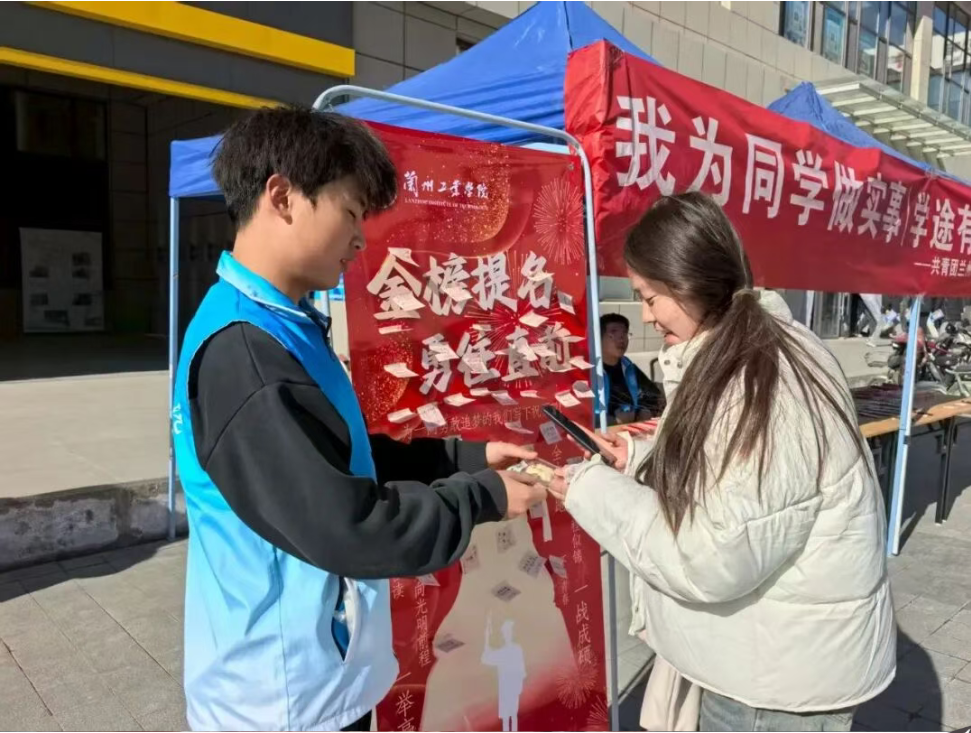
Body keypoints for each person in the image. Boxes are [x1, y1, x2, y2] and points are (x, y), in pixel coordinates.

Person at [171, 106, 546, 732]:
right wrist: (481, 497)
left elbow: (336, 456)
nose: (361, 239)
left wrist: (465, 457)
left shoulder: (278, 323)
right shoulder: (246, 354)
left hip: (317, 677)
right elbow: (350, 526)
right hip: (284, 697)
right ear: (283, 197)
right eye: (350, 213)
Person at [548, 192, 895, 732]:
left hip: (775, 685)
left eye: (650, 297)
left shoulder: (759, 382)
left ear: (687, 282)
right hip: (772, 656)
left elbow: (708, 558)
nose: (645, 315)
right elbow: (728, 472)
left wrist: (589, 489)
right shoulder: (755, 346)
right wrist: (638, 458)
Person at [600, 313, 665, 426]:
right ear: (599, 338)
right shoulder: (589, 372)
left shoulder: (628, 367)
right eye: (613, 332)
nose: (621, 338)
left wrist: (646, 411)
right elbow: (582, 416)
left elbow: (655, 398)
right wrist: (614, 421)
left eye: (625, 333)